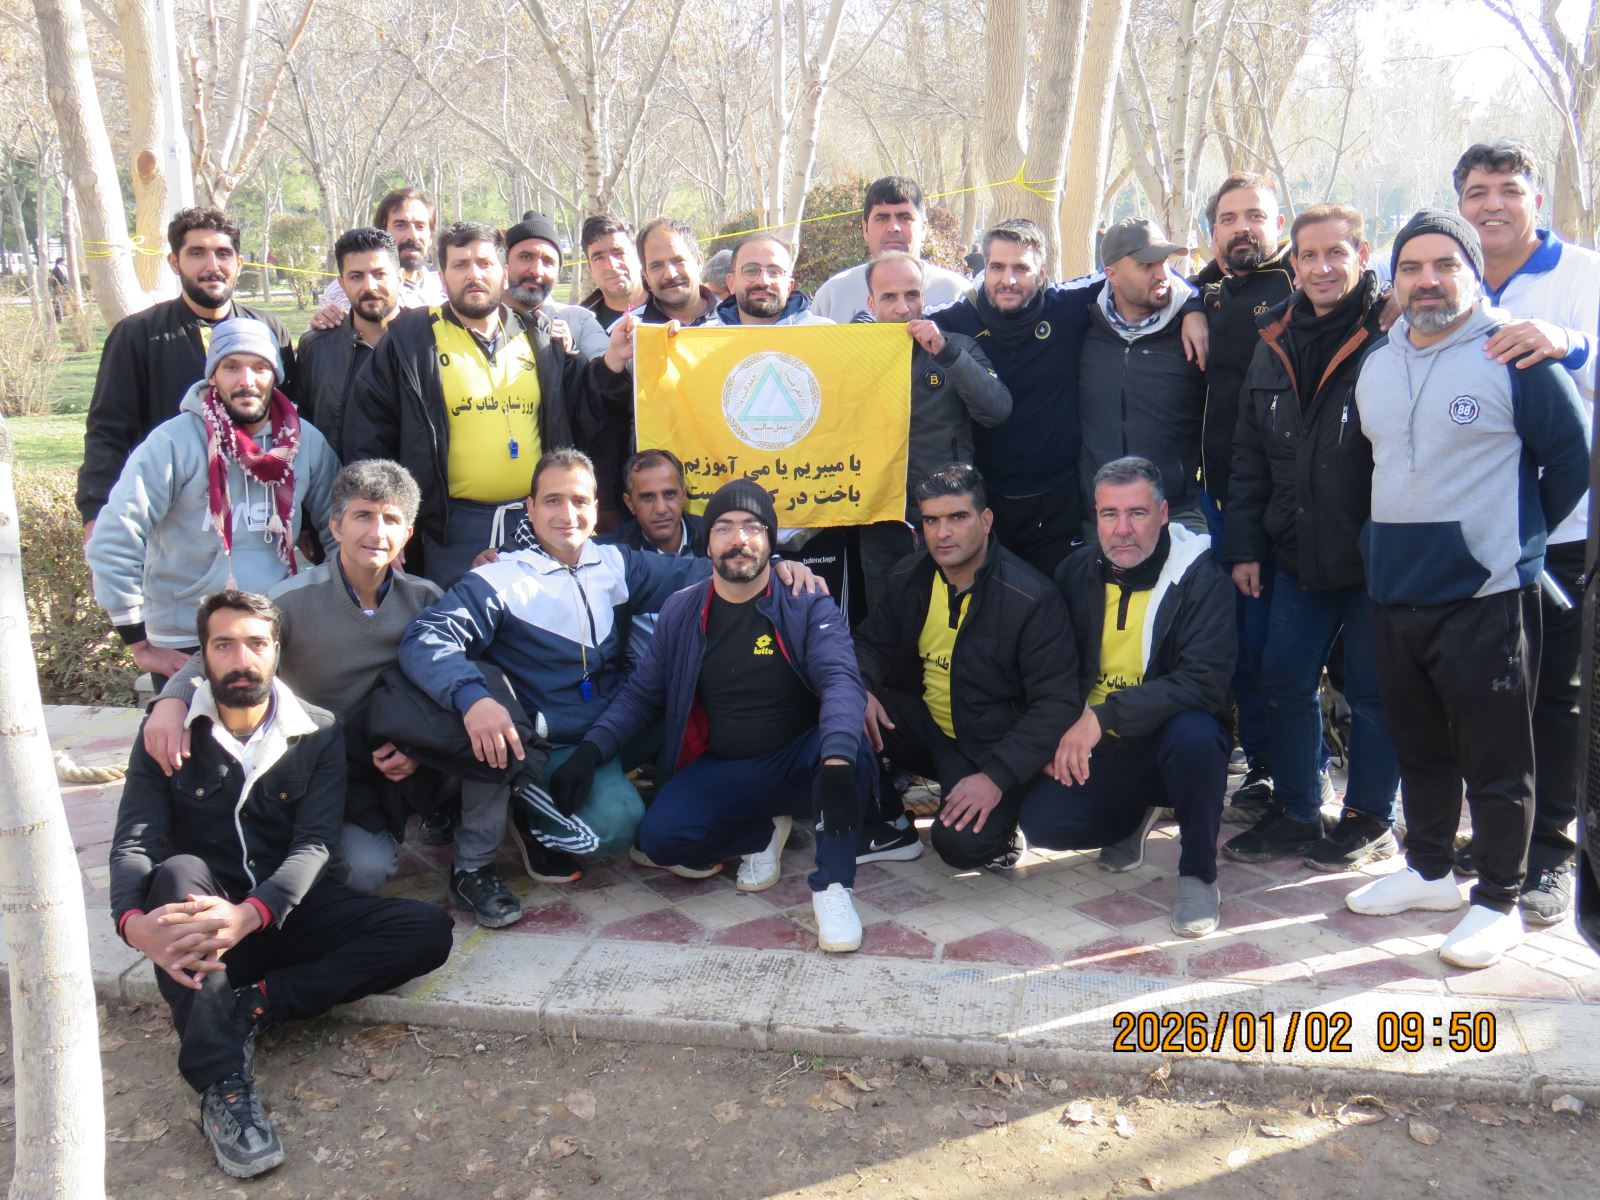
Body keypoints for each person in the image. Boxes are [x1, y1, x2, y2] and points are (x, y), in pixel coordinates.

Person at [110, 589, 452, 1179]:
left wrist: (252, 914)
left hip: (283, 914)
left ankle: (257, 1005)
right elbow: (134, 842)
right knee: (176, 872)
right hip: (206, 917)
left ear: (276, 652)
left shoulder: (318, 731)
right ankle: (223, 1086)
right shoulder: (168, 733)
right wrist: (132, 926)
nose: (241, 659)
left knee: (426, 930)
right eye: (224, 645)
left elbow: (314, 844)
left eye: (256, 644)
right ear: (203, 656)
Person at [396, 450, 822, 904]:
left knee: (691, 691)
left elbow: (701, 572)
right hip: (552, 744)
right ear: (531, 509)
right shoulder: (498, 578)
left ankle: (675, 813)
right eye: (553, 501)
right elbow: (425, 638)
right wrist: (473, 698)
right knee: (614, 829)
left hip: (608, 728)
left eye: (579, 501)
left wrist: (774, 565)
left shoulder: (613, 562)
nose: (568, 514)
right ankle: (528, 812)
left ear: (596, 509)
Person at [1343, 210, 1587, 970]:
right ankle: (1428, 873)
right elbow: (1370, 470)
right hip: (1396, 590)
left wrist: (1513, 543)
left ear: (1474, 274)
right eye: (1411, 267)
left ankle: (1499, 901)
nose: (1428, 280)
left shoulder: (1513, 355)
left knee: (1497, 758)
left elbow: (1572, 461)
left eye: (1445, 265)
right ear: (1393, 280)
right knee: (1418, 745)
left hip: (1486, 594)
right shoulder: (1377, 363)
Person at [557, 478, 874, 951]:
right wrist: (589, 752)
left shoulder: (806, 601)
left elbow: (839, 679)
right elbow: (642, 695)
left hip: (799, 758)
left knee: (853, 750)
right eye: (724, 527)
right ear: (707, 543)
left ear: (770, 541)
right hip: (726, 764)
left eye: (752, 527)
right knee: (661, 840)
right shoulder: (682, 610)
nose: (738, 539)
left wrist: (837, 757)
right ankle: (763, 831)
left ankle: (832, 887)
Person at [139, 460, 446, 894]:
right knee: (359, 870)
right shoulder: (292, 600)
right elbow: (223, 655)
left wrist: (417, 749)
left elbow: (446, 679)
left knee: (371, 867)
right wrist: (170, 702)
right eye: (362, 516)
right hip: (308, 760)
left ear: (407, 534)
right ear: (335, 526)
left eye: (391, 519)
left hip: (382, 753)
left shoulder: (425, 600)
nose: (377, 532)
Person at [1220, 204, 1400, 871]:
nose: (1323, 268)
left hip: (1377, 559)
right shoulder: (1274, 338)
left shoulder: (1393, 334)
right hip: (1297, 555)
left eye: (1336, 253)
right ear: (1293, 264)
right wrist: (1244, 546)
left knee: (1374, 693)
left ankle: (1369, 818)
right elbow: (1248, 454)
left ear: (1362, 255)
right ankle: (1297, 809)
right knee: (1284, 680)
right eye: (1309, 256)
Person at [1453, 138, 1600, 923]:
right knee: (1490, 695)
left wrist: (1569, 343)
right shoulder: (1450, 275)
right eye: (1478, 192)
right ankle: (1497, 838)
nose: (1493, 205)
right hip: (1476, 534)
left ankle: (1550, 853)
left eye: (1508, 189)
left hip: (1567, 529)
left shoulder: (1581, 275)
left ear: (1534, 198)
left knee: (1556, 699)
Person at [343, 220, 635, 588]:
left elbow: (583, 408)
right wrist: (382, 517)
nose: (474, 275)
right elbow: (368, 435)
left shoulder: (539, 338)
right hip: (450, 529)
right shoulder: (411, 339)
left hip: (536, 523)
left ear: (504, 272)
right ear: (443, 277)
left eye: (484, 263)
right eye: (460, 265)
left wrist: (614, 359)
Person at [1022, 457, 1236, 937]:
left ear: (1163, 514)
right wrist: (1051, 736)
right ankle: (1132, 818)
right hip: (1102, 748)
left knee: (1196, 736)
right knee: (1043, 823)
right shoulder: (1075, 572)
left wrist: (1103, 715)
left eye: (1137, 513)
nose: (1122, 530)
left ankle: (1198, 874)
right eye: (1109, 514)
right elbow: (1048, 668)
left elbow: (1203, 682)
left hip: (1167, 742)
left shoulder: (1202, 578)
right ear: (1095, 516)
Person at [932, 217, 1207, 576]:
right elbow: (901, 319)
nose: (1008, 279)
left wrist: (1193, 307)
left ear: (1042, 274)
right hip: (989, 498)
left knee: (1064, 599)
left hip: (1060, 504)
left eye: (1021, 268)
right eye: (997, 267)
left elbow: (1153, 278)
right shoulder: (956, 319)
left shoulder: (1067, 306)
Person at [87, 319, 338, 690]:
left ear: (276, 375)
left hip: (273, 629)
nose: (246, 380)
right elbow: (115, 535)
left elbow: (341, 525)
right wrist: (137, 642)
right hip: (187, 635)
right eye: (231, 366)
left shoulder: (305, 441)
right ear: (213, 376)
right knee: (190, 729)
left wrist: (331, 602)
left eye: (260, 367)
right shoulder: (173, 443)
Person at [853, 465, 1077, 869]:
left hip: (991, 748)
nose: (943, 533)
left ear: (986, 520)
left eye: (958, 517)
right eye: (931, 520)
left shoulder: (1031, 598)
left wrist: (997, 777)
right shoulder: (909, 576)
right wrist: (862, 689)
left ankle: (1008, 817)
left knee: (959, 846)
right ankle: (887, 819)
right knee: (840, 698)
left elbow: (1056, 704)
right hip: (928, 727)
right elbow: (870, 643)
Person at [76, 207, 296, 532]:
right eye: (196, 253)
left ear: (239, 263)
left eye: (223, 253)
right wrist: (96, 516)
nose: (212, 266)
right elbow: (108, 433)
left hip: (257, 516)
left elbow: (291, 420)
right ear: (174, 262)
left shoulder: (269, 331)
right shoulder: (137, 335)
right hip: (169, 519)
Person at [1191, 174, 1296, 819]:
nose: (1242, 228)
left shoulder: (1299, 286)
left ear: (1278, 225)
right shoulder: (1202, 293)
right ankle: (1252, 760)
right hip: (1213, 497)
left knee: (1273, 649)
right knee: (1228, 646)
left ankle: (1288, 767)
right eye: (1228, 219)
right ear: (1213, 233)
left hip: (1284, 501)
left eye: (1255, 215)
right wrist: (1192, 305)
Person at [854, 252, 1012, 604]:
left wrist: (946, 354)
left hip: (950, 515)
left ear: (923, 297)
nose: (902, 308)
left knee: (960, 614)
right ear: (871, 303)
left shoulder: (956, 346)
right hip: (882, 520)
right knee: (889, 621)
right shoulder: (853, 357)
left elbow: (997, 410)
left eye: (911, 295)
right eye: (889, 297)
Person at [1077, 217, 1207, 534]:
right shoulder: (1080, 325)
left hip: (1177, 513)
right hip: (1101, 519)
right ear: (1111, 275)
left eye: (1163, 261)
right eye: (1146, 265)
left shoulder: (1194, 330)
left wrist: (1193, 306)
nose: (1161, 273)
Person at [295, 228, 400, 458]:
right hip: (337, 479)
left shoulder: (426, 342)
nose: (369, 286)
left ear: (399, 277)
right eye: (356, 276)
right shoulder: (316, 349)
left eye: (379, 274)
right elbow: (305, 429)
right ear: (341, 284)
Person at [811, 175, 972, 322]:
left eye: (904, 217)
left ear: (924, 228)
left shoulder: (957, 294)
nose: (893, 227)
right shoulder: (832, 297)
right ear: (865, 229)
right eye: (882, 218)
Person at [604, 449, 706, 667]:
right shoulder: (613, 554)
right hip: (638, 677)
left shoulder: (714, 538)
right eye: (647, 497)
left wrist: (778, 563)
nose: (661, 509)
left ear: (683, 495)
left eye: (669, 494)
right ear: (630, 503)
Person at [309, 186, 446, 327]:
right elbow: (321, 337)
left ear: (431, 237)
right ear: (382, 232)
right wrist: (321, 325)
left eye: (420, 226)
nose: (413, 236)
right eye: (400, 225)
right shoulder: (342, 292)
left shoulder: (443, 290)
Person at [503, 211, 609, 360]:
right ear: (504, 264)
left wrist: (569, 354)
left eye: (548, 262)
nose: (537, 271)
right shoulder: (480, 318)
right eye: (525, 257)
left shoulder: (579, 321)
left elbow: (610, 366)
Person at [710, 234, 832, 326]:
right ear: (731, 283)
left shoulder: (824, 336)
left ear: (789, 287)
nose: (763, 281)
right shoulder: (705, 341)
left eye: (774, 272)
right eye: (751, 271)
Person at [637, 217, 720, 325]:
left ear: (699, 261)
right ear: (646, 276)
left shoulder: (733, 319)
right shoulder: (633, 330)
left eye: (678, 260)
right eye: (656, 266)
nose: (670, 274)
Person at [580, 214, 648, 328]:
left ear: (639, 258)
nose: (611, 265)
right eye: (598, 258)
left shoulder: (671, 308)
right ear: (590, 269)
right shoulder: (580, 326)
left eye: (619, 252)